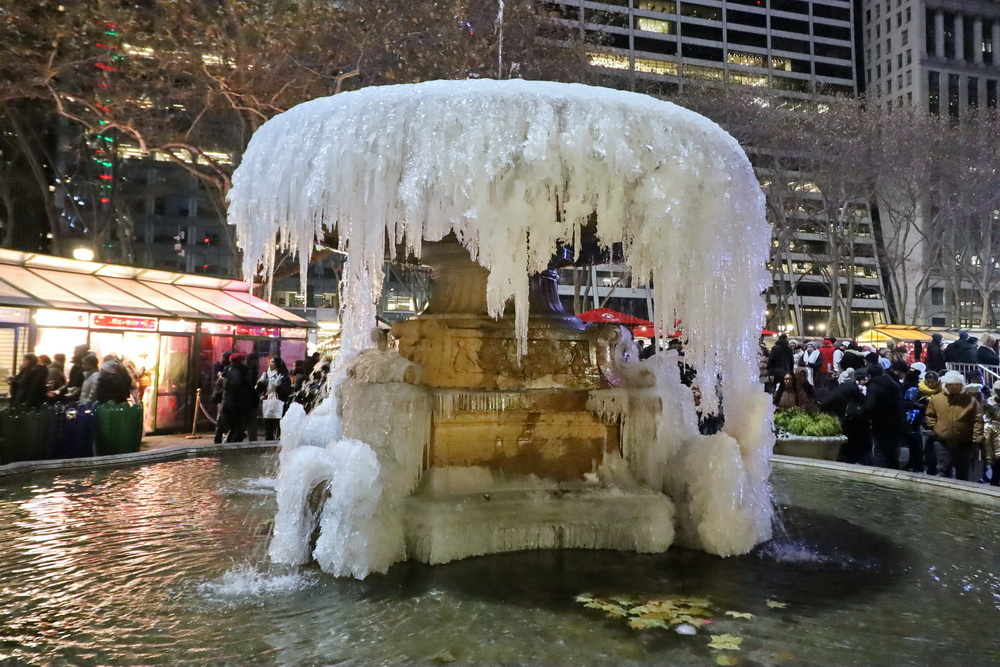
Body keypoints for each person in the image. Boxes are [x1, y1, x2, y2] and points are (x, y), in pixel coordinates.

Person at [924, 370, 983, 481]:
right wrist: (935, 428)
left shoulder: (970, 401)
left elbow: (977, 420)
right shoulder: (937, 399)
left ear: (961, 385)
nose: (953, 387)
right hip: (943, 441)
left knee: (962, 472)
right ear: (945, 385)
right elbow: (930, 415)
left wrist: (977, 438)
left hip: (964, 442)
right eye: (950, 384)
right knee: (944, 470)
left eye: (956, 384)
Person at [818, 368, 870, 464]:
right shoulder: (852, 388)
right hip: (851, 419)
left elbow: (827, 402)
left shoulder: (839, 389)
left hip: (846, 418)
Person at [864, 364, 905, 469]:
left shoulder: (874, 386)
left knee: (881, 451)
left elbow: (869, 406)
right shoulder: (893, 384)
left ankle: (881, 476)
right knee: (893, 452)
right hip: (897, 422)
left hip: (881, 423)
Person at [220, 352, 258, 443]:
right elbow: (237, 388)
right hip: (236, 405)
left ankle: (229, 446)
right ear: (240, 361)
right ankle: (232, 448)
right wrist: (246, 396)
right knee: (237, 429)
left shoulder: (235, 370)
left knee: (235, 429)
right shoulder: (237, 372)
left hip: (233, 404)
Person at [257, 357, 292, 440]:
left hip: (278, 402)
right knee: (267, 423)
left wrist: (277, 386)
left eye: (272, 362)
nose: (270, 364)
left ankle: (277, 441)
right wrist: (260, 383)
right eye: (270, 362)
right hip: (267, 401)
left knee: (277, 424)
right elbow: (259, 389)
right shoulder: (266, 374)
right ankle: (268, 440)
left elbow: (286, 391)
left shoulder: (283, 377)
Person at [982, 381, 1000, 487]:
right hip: (997, 453)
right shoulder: (990, 404)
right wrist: (989, 456)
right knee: (996, 474)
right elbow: (987, 440)